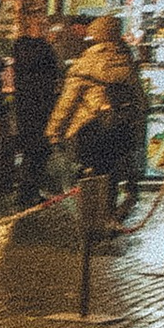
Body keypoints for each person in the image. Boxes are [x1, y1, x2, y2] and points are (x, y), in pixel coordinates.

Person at [50, 13, 144, 228]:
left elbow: (68, 101)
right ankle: (108, 215)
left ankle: (92, 221)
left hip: (93, 126)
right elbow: (140, 99)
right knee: (110, 172)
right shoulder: (126, 60)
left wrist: (54, 131)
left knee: (91, 172)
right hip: (121, 127)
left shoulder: (86, 62)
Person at [6, 11, 62, 209]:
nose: (44, 26)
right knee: (35, 149)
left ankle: (29, 190)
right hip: (33, 104)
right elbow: (47, 67)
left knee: (38, 150)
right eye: (40, 23)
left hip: (36, 103)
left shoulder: (28, 47)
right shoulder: (31, 47)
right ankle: (26, 192)